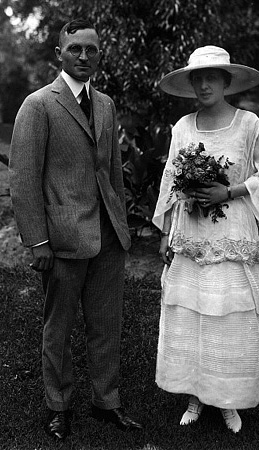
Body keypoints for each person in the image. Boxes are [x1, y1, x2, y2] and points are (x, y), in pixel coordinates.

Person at [9, 18, 143, 440]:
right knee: (59, 327)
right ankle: (59, 405)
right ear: (59, 55)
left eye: (91, 49)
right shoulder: (39, 104)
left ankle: (107, 402)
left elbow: (113, 174)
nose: (84, 56)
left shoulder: (104, 104)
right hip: (62, 238)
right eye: (75, 49)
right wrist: (37, 241)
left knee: (106, 324)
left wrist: (121, 225)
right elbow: (24, 178)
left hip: (106, 236)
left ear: (100, 54)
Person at [153, 45, 259, 433]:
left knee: (228, 313)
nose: (204, 84)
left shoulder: (249, 125)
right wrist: (165, 233)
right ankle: (194, 395)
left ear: (227, 81)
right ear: (191, 82)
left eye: (212, 77)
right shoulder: (182, 127)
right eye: (198, 77)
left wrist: (230, 191)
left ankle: (228, 399)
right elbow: (171, 184)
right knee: (192, 311)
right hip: (191, 233)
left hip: (231, 232)